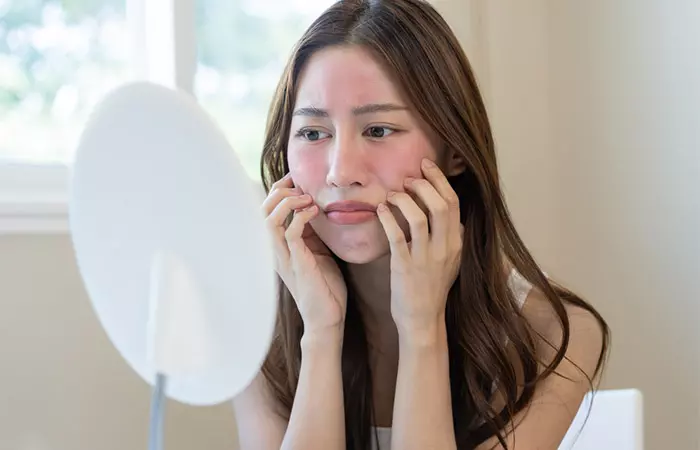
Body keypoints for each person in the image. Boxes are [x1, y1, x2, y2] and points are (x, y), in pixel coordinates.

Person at [233, 1, 610, 449]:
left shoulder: (553, 332)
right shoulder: (259, 328)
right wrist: (320, 333)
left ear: (455, 151)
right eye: (313, 133)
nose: (340, 172)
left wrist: (422, 329)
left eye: (378, 130)